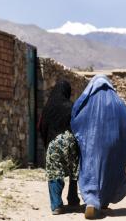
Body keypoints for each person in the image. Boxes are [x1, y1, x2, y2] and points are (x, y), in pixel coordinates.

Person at [71, 74, 126, 219]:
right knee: (108, 168)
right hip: (113, 142)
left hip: (90, 141)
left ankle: (92, 201)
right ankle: (103, 200)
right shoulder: (118, 101)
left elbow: (75, 114)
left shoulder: (87, 100)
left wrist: (80, 134)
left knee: (90, 168)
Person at [39, 79, 80, 215]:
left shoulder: (47, 108)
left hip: (54, 142)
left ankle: (56, 205)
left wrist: (47, 143)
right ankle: (73, 199)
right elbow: (78, 125)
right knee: (74, 171)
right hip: (70, 141)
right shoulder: (71, 106)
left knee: (55, 172)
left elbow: (42, 127)